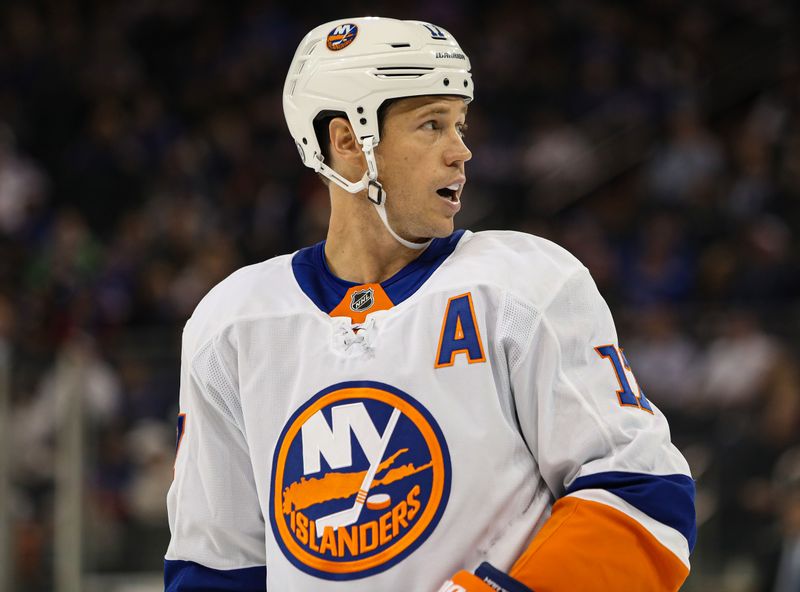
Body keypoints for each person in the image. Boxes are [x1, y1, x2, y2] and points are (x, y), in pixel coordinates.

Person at [164, 17, 696, 592]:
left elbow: (645, 496)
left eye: (460, 124)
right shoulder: (234, 323)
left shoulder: (523, 286)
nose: (461, 152)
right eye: (431, 125)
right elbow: (215, 564)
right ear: (347, 142)